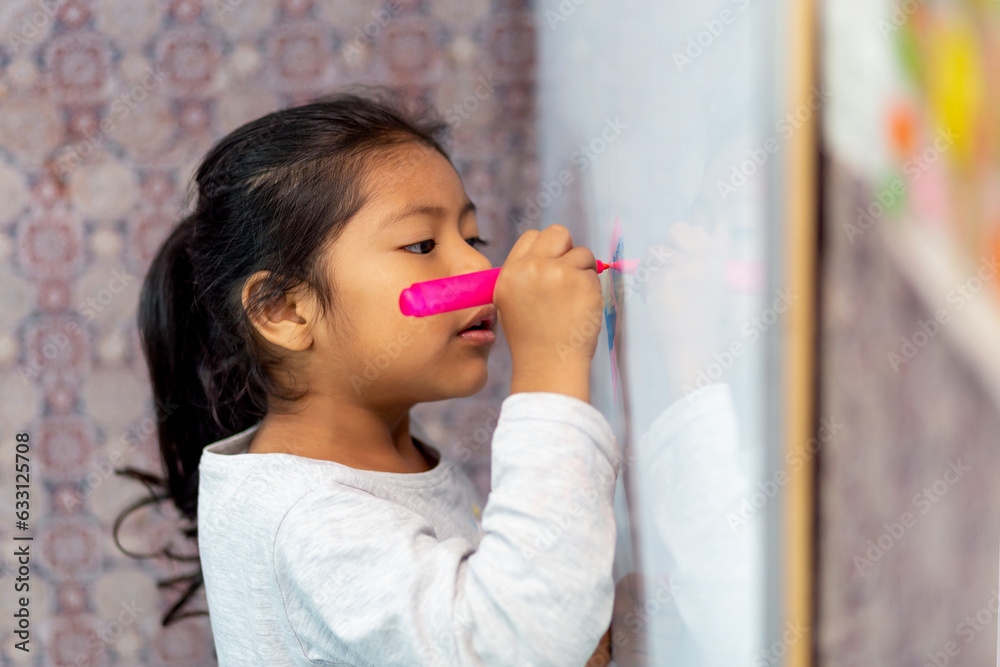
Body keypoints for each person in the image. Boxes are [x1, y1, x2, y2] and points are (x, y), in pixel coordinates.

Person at [120, 86, 620, 666]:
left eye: (473, 237)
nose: (480, 266)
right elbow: (509, 643)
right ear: (284, 310)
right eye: (422, 244)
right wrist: (551, 362)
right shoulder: (304, 517)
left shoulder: (393, 462)